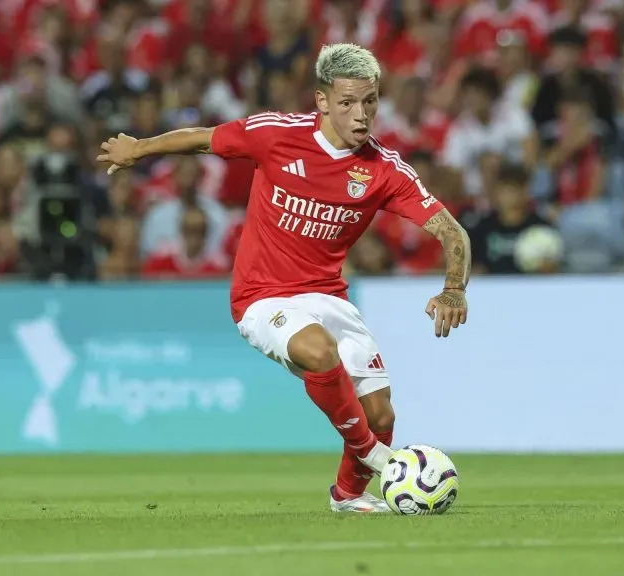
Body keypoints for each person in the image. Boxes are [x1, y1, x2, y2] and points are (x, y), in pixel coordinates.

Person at [97, 43, 472, 513]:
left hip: (329, 297)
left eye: (370, 102)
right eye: (347, 103)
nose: (361, 115)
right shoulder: (275, 134)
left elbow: (451, 231)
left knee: (381, 413)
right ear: (322, 101)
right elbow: (203, 138)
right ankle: (377, 458)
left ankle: (348, 495)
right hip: (261, 296)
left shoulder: (383, 170)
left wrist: (453, 287)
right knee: (318, 350)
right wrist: (140, 149)